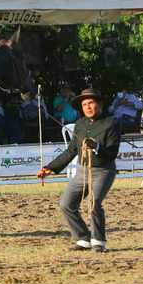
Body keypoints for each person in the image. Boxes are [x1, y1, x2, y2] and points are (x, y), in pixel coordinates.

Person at [37, 88, 120, 253]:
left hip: (103, 171)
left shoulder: (111, 123)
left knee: (94, 204)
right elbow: (71, 150)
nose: (88, 107)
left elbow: (112, 153)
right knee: (66, 204)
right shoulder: (80, 124)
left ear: (99, 104)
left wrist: (96, 146)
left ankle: (98, 241)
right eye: (84, 104)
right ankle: (83, 238)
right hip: (82, 171)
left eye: (91, 103)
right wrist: (49, 168)